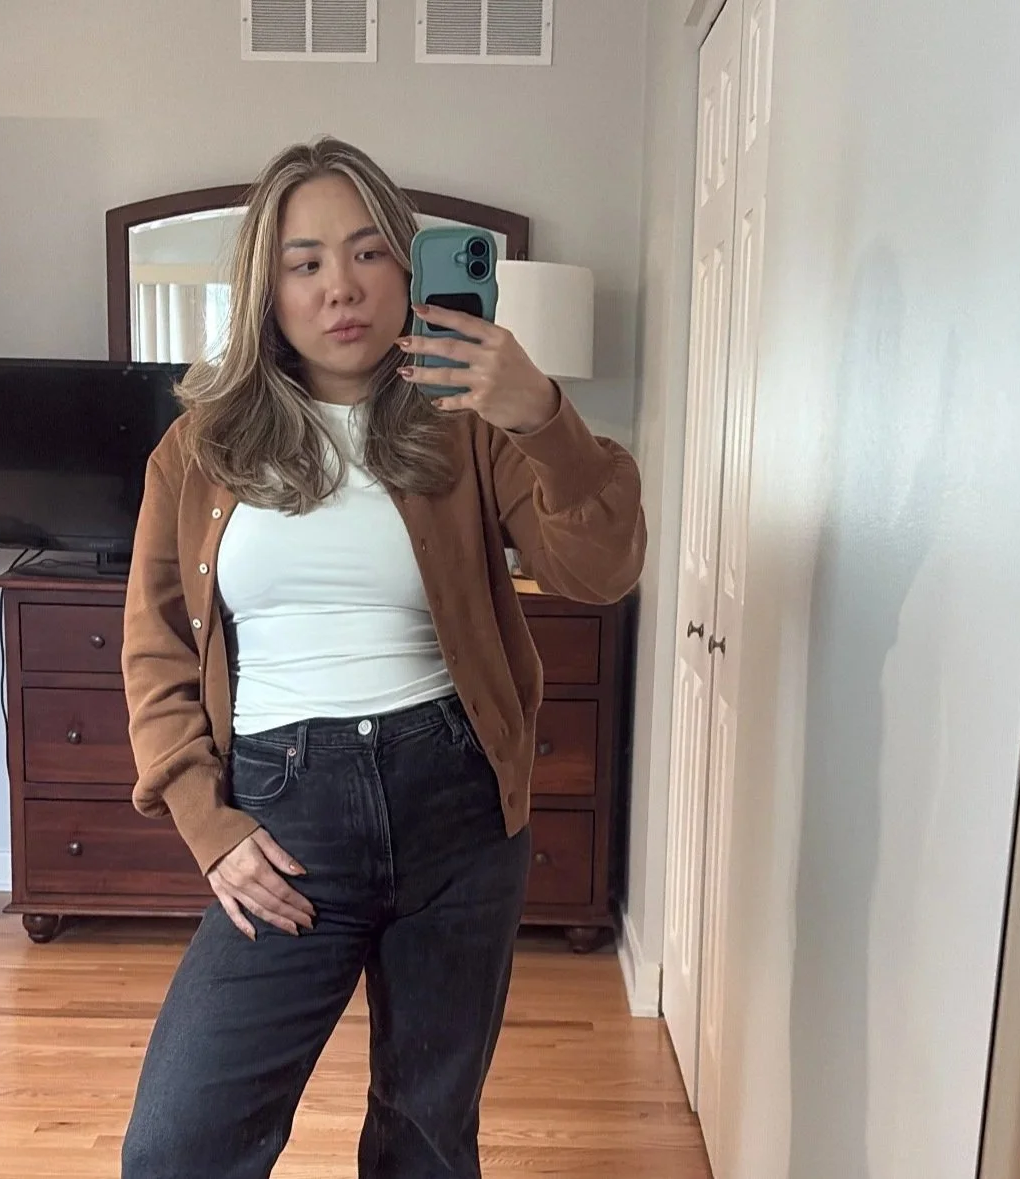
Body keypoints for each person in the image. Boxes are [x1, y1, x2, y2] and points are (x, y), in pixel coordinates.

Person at [119, 136, 646, 1179]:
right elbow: (155, 649)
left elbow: (602, 569)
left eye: (368, 253)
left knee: (426, 1134)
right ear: (266, 288)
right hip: (285, 815)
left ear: (410, 270)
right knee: (178, 1146)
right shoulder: (200, 449)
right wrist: (207, 823)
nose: (341, 287)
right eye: (305, 262)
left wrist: (540, 414)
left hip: (456, 805)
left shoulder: (472, 426)